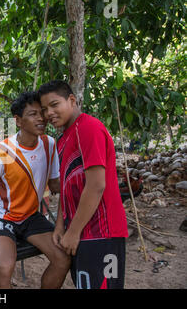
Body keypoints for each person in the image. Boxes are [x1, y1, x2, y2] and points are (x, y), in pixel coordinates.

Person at [0, 91, 71, 289]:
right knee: (5, 267)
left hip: (30, 216)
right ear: (19, 121)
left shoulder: (49, 144)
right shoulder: (4, 152)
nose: (41, 118)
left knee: (62, 259)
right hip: (1, 217)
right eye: (33, 114)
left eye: (42, 113)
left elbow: (56, 185)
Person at [37, 80, 128, 289]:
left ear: (72, 100)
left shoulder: (89, 128)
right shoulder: (62, 140)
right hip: (78, 232)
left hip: (102, 232)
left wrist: (73, 231)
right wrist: (60, 225)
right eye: (44, 109)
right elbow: (67, 188)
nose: (49, 113)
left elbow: (97, 185)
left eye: (54, 104)